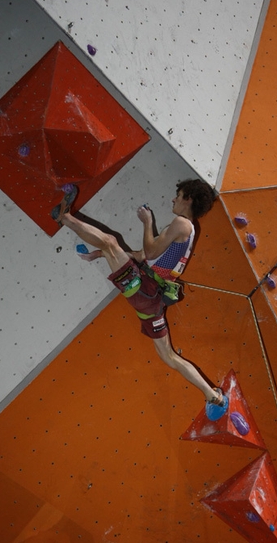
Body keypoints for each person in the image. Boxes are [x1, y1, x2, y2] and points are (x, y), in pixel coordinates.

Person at [52, 179, 228, 420]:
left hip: (145, 289)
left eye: (178, 195)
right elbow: (142, 255)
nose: (173, 200)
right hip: (152, 302)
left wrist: (147, 222)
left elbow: (151, 251)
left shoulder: (181, 224)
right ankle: (214, 397)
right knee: (169, 356)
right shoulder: (187, 230)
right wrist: (102, 254)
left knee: (111, 241)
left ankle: (63, 217)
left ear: (189, 199)